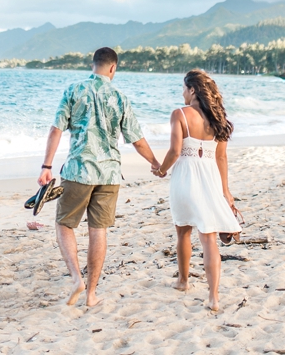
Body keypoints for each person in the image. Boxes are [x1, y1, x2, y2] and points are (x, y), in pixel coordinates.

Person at [37, 47, 160, 307]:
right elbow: (137, 140)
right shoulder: (120, 97)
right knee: (98, 229)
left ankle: (75, 278)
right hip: (110, 174)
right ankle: (91, 293)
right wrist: (156, 163)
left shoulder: (74, 90)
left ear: (93, 65)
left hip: (79, 170)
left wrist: (46, 165)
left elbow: (56, 129)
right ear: (113, 68)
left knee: (64, 224)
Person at [151, 69, 241, 312]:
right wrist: (226, 191)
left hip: (185, 179)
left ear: (192, 90)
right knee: (209, 238)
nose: (182, 92)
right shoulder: (218, 118)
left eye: (183, 87)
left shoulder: (179, 114)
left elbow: (174, 152)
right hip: (210, 180)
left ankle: (183, 281)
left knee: (183, 232)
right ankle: (213, 297)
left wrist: (161, 171)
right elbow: (221, 159)